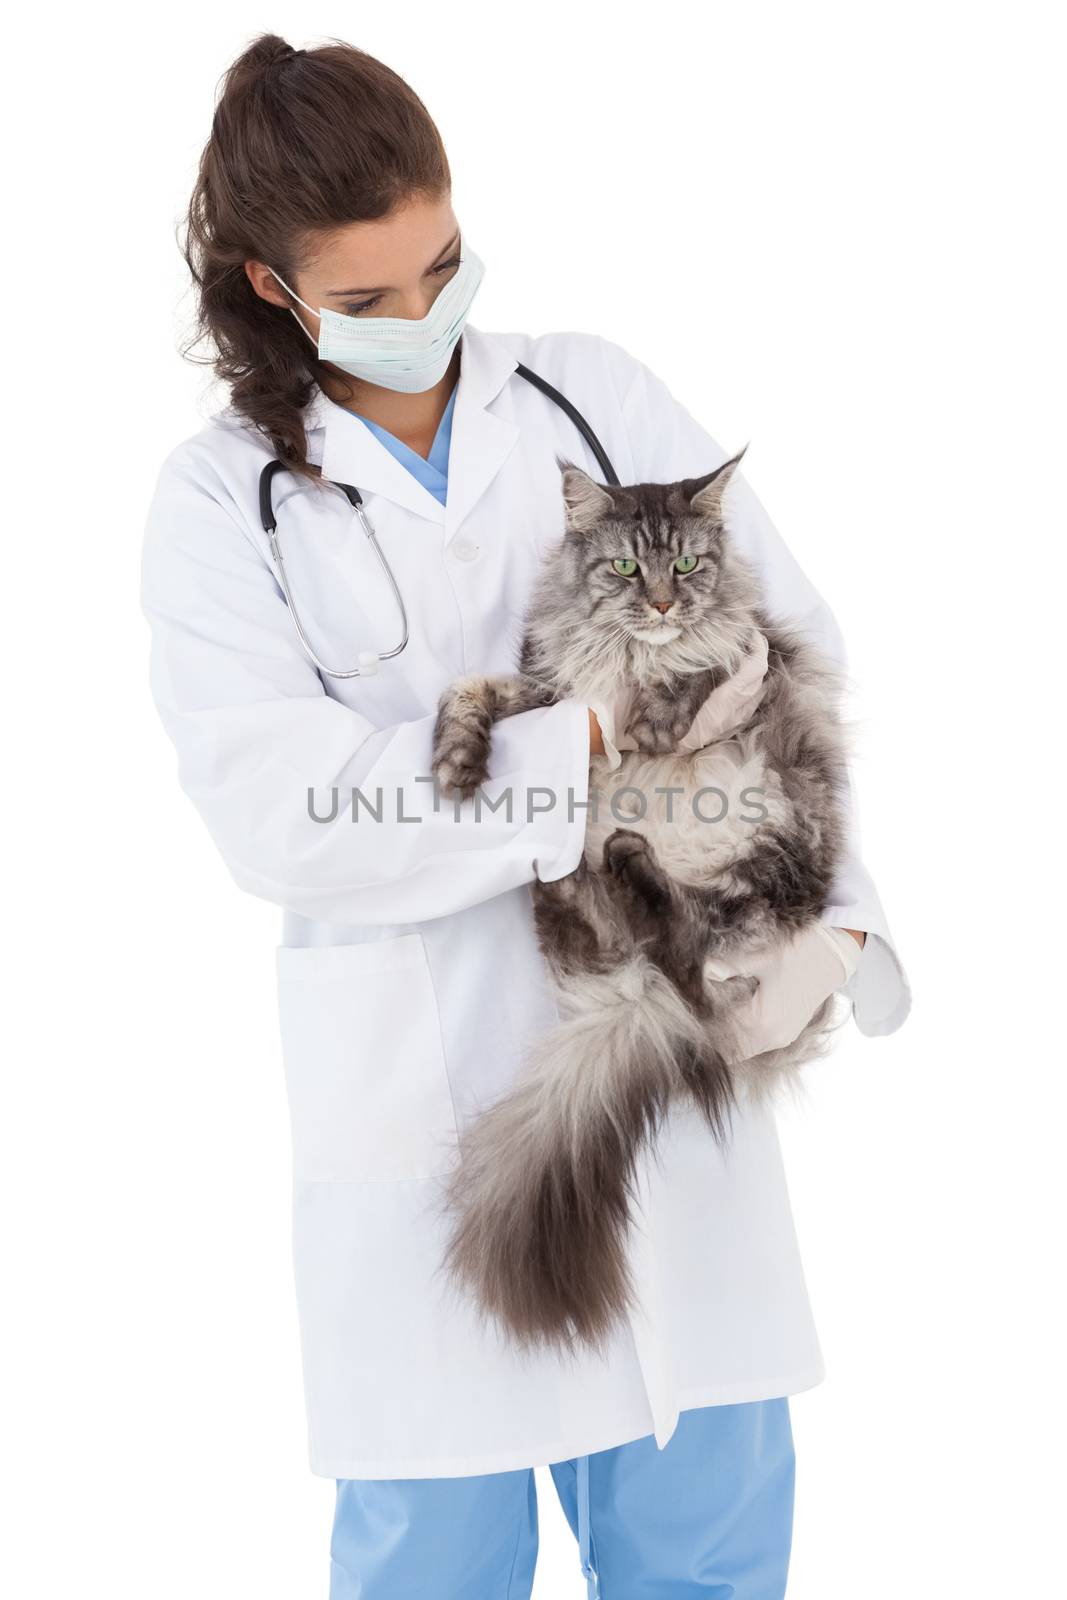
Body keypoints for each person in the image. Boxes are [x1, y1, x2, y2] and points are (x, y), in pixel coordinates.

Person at [140, 32, 910, 1600]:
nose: (423, 318)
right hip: (418, 1126)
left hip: (669, 1083)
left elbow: (785, 650)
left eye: (443, 266)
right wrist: (590, 741)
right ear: (269, 288)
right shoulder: (222, 504)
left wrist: (835, 927)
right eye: (367, 298)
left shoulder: (593, 393)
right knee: (435, 1564)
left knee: (707, 1550)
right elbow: (279, 810)